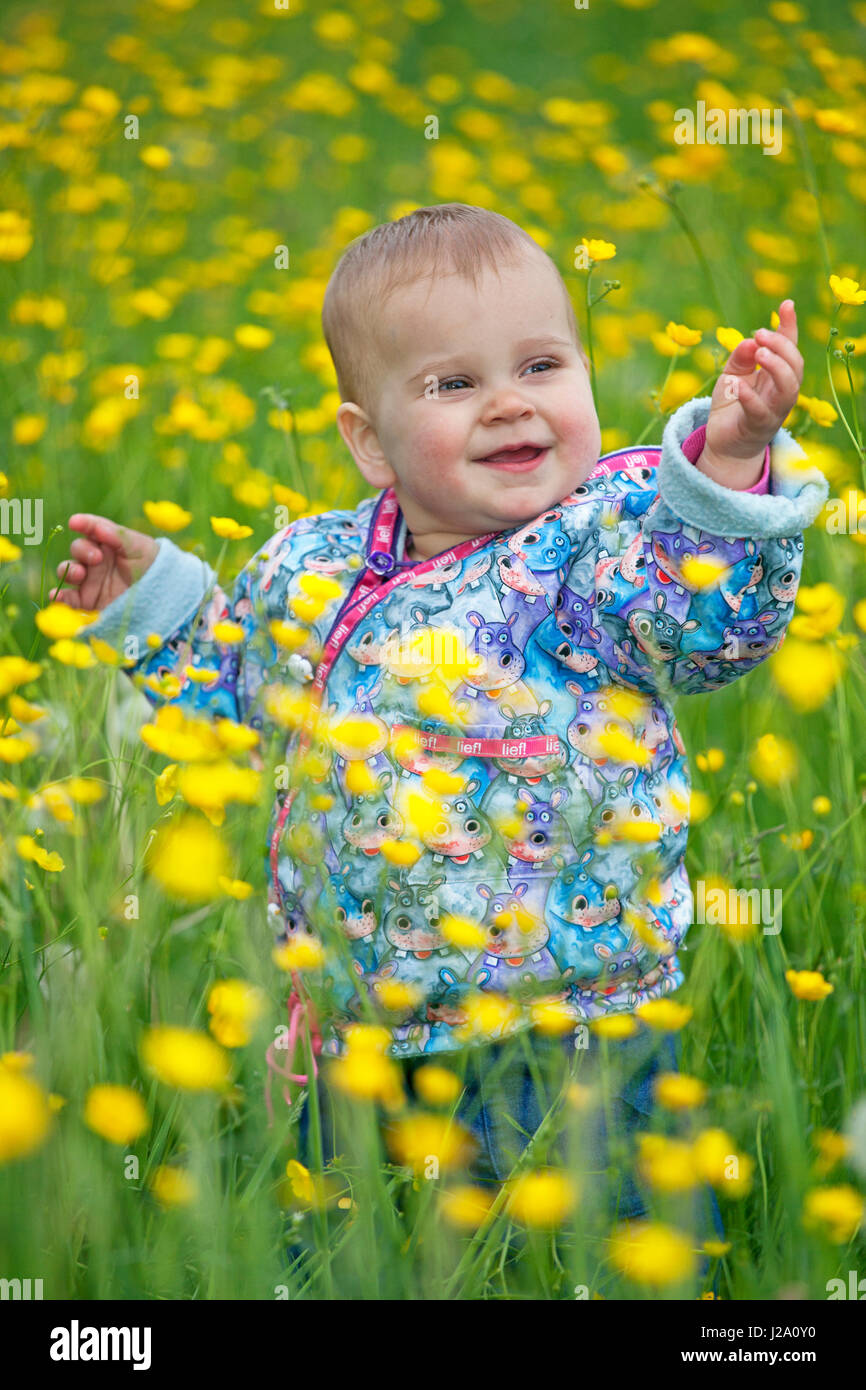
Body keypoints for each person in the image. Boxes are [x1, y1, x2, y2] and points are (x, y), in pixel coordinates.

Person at [52, 203, 826, 1257]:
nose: (509, 403)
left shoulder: (603, 550)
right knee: (355, 1252)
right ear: (368, 442)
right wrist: (152, 603)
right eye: (451, 384)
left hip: (567, 1027)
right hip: (355, 1035)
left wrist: (729, 461)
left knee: (594, 1250)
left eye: (542, 364)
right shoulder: (308, 567)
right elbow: (238, 703)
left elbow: (701, 624)